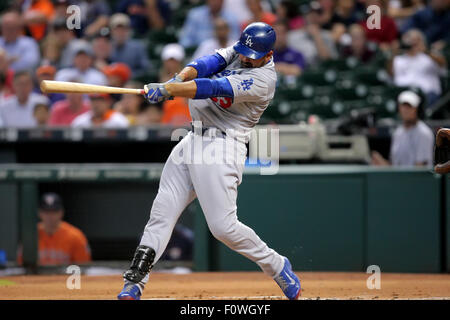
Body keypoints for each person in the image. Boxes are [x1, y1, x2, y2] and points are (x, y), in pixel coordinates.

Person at [117, 22, 301, 300]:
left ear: (268, 54)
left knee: (223, 228)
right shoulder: (242, 50)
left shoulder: (264, 79)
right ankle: (134, 283)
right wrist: (176, 80)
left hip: (222, 146)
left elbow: (211, 86)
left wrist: (171, 91)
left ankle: (276, 265)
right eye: (245, 52)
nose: (246, 58)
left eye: (253, 55)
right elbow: (205, 64)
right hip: (192, 138)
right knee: (161, 213)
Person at [17, 193, 91, 266]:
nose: (50, 216)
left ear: (61, 212)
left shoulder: (76, 236)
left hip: (66, 276)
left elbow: (84, 267)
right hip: (38, 277)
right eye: (46, 212)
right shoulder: (30, 235)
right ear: (39, 213)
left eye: (54, 211)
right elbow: (22, 266)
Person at [371, 90, 434, 167]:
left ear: (416, 109)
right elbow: (395, 168)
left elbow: (420, 170)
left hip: (415, 179)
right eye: (403, 106)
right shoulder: (398, 133)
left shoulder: (424, 133)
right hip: (399, 178)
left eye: (409, 107)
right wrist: (381, 162)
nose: (406, 110)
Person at [391, 29, 447, 106]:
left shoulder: (430, 56)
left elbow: (443, 64)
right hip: (404, 94)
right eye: (409, 40)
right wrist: (394, 51)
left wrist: (425, 50)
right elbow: (390, 75)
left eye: (415, 41)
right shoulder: (398, 59)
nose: (412, 43)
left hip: (426, 94)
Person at [287, 2, 338, 66]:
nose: (313, 16)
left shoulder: (327, 36)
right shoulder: (292, 36)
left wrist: (316, 36)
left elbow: (328, 61)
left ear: (321, 17)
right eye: (310, 13)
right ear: (304, 16)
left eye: (317, 13)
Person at [109, 13, 152, 78]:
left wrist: (127, 75)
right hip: (109, 83)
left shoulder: (138, 46)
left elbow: (145, 69)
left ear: (128, 30)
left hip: (131, 83)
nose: (120, 32)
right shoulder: (105, 46)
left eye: (123, 29)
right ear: (111, 31)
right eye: (117, 29)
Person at [158, 44, 192, 126]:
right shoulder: (157, 80)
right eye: (169, 60)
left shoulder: (188, 80)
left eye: (174, 61)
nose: (171, 64)